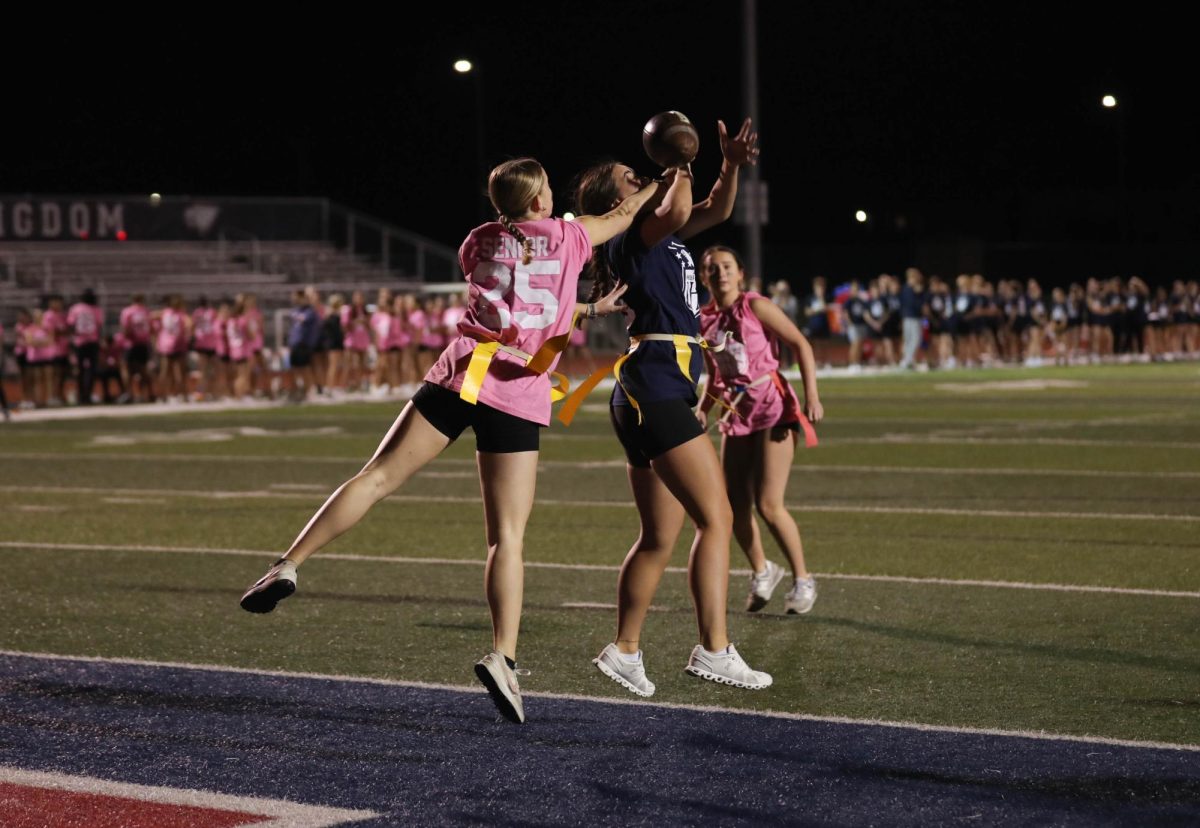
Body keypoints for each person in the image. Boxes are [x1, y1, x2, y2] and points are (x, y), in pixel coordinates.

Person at [239, 158, 660, 724]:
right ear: (540, 200)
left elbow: (512, 293)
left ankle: (288, 563)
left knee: (377, 476)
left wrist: (583, 307)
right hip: (517, 388)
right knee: (506, 536)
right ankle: (503, 656)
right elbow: (625, 211)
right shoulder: (568, 234)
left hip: (463, 372)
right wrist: (670, 172)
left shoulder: (481, 239)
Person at [574, 117, 772, 698]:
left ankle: (624, 649)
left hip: (651, 384)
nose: (643, 177)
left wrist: (729, 165)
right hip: (656, 380)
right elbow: (683, 208)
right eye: (631, 176)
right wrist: (679, 161)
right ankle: (714, 648)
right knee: (718, 519)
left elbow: (711, 208)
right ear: (618, 201)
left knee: (660, 537)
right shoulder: (631, 234)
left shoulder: (661, 235)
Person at [697, 245, 823, 616]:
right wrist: (703, 410)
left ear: (740, 273)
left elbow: (800, 343)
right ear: (704, 277)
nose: (719, 272)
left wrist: (811, 395)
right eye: (711, 268)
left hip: (772, 406)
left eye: (726, 266)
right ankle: (762, 570)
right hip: (737, 413)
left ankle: (804, 579)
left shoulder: (755, 305)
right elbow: (716, 376)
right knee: (733, 506)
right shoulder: (704, 319)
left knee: (769, 504)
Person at [66, 288, 104, 405]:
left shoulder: (75, 308)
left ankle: (81, 395)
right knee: (91, 370)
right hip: (92, 341)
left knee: (81, 370)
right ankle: (87, 395)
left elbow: (71, 324)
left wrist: (72, 339)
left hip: (80, 342)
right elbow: (99, 326)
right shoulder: (96, 309)